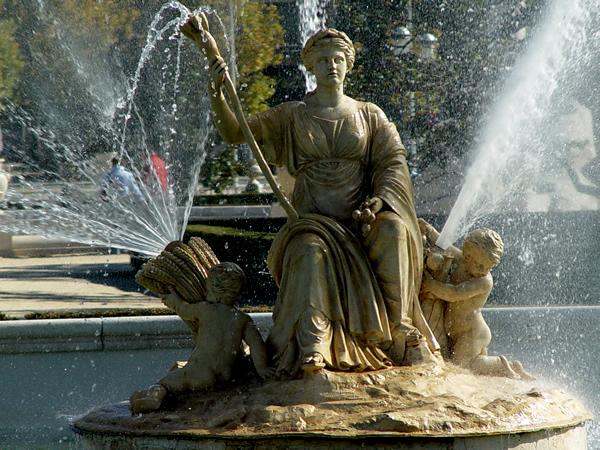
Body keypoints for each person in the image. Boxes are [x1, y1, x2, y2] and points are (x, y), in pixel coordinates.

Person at [181, 21, 440, 376]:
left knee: (395, 231)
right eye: (322, 60)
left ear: (349, 65)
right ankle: (313, 344)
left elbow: (393, 162)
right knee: (308, 252)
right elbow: (234, 132)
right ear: (310, 67)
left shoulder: (370, 114)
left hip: (364, 218)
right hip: (313, 221)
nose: (331, 66)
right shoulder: (291, 115)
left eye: (337, 59)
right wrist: (216, 91)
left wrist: (379, 202)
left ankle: (401, 331)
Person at [129, 263, 272, 414]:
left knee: (165, 385)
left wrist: (174, 301)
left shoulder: (206, 310)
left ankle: (153, 398)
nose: (205, 292)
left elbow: (184, 310)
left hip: (199, 371)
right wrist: (262, 369)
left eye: (208, 288)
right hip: (224, 376)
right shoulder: (243, 319)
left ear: (215, 293)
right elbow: (257, 345)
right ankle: (145, 396)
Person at [419, 221, 533, 379]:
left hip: (472, 331)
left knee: (464, 365)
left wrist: (431, 285)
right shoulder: (462, 262)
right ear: (467, 256)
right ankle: (507, 367)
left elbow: (454, 293)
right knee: (456, 362)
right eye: (480, 265)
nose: (483, 271)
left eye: (488, 267)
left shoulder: (484, 281)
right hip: (455, 331)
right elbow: (446, 245)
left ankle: (502, 364)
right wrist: (429, 230)